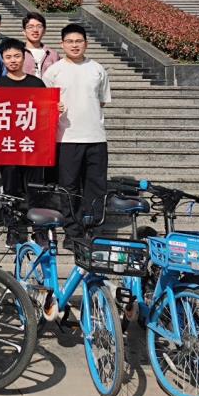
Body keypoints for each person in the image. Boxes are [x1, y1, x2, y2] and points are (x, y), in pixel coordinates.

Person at [43, 24, 112, 242]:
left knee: (96, 186)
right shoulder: (53, 72)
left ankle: (93, 230)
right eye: (70, 41)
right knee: (68, 187)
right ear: (62, 44)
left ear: (86, 44)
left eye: (79, 41)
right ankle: (72, 233)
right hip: (66, 138)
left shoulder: (97, 69)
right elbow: (45, 105)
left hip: (95, 137)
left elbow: (102, 101)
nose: (75, 45)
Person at [0, 37, 47, 243]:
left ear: (24, 57)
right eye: (8, 57)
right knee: (10, 189)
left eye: (17, 56)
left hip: (33, 146)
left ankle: (39, 228)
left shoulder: (37, 83)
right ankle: (13, 228)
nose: (13, 60)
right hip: (8, 147)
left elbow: (45, 112)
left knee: (35, 187)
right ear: (2, 59)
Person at [21, 12, 61, 80]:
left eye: (39, 26)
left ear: (44, 31)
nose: (35, 30)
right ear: (24, 32)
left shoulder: (53, 55)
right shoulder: (18, 53)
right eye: (30, 27)